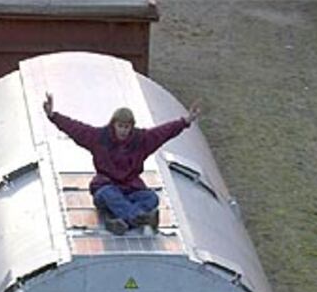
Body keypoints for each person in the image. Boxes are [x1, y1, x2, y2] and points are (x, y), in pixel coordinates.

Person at [43, 92, 201, 235]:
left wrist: (185, 121)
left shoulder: (142, 140)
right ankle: (140, 218)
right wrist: (53, 116)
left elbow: (163, 132)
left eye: (127, 127)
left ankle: (121, 222)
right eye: (120, 126)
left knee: (151, 198)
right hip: (106, 189)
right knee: (108, 194)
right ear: (113, 125)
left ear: (132, 127)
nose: (123, 130)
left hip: (131, 190)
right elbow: (76, 128)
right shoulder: (99, 138)